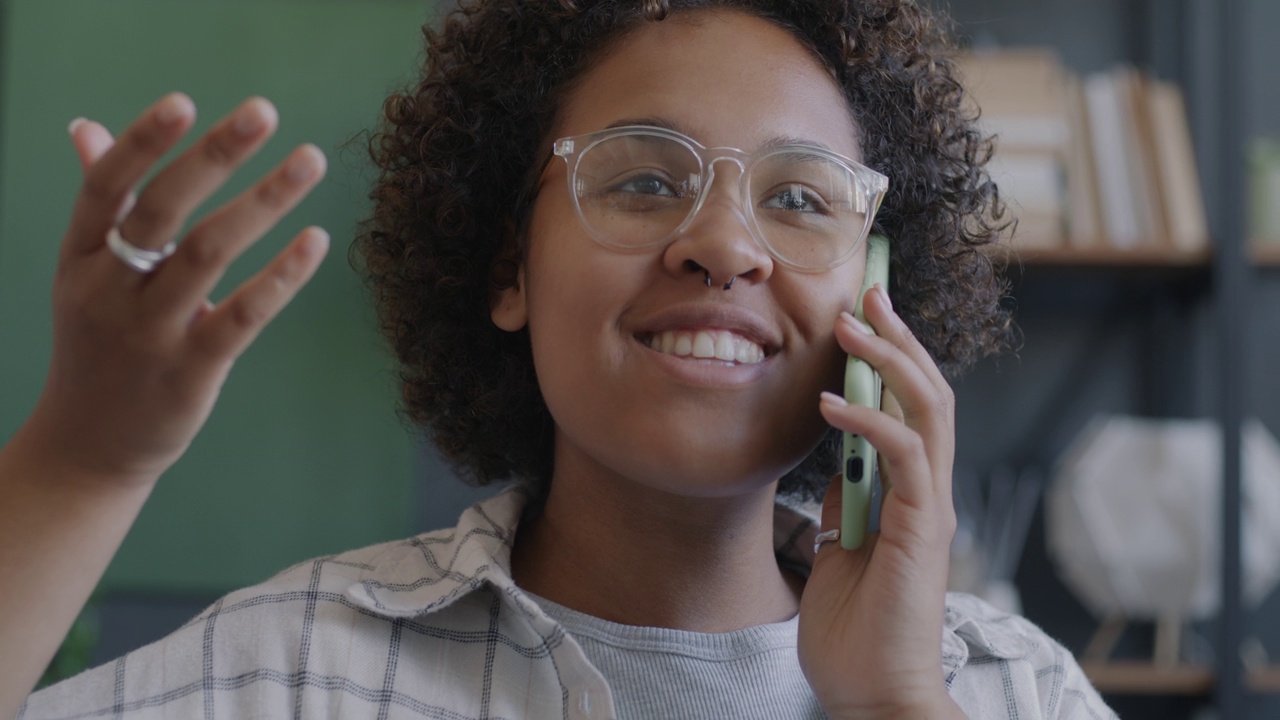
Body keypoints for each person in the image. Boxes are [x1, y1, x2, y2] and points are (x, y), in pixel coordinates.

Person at [1, 0, 1117, 717]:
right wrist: (82, 464)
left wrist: (894, 707)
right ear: (508, 270)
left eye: (797, 198)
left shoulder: (1017, 692)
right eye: (640, 179)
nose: (723, 245)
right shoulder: (283, 677)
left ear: (877, 295)